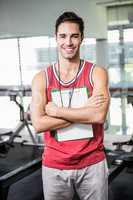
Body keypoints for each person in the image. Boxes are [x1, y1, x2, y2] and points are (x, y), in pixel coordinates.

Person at [31, 11, 110, 200]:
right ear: (56, 38)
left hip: (93, 164)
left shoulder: (96, 73)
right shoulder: (41, 78)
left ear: (82, 38)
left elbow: (98, 117)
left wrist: (56, 111)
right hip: (54, 165)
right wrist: (85, 110)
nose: (69, 42)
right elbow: (39, 124)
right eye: (63, 36)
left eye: (74, 36)